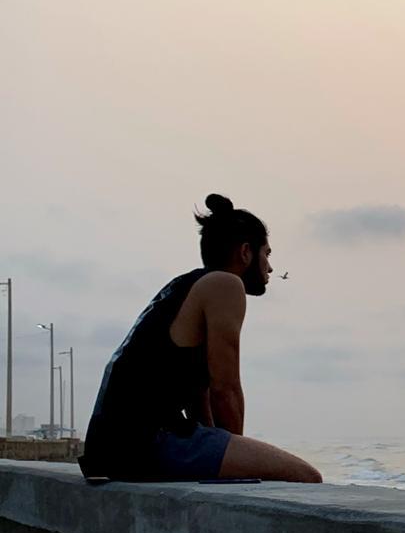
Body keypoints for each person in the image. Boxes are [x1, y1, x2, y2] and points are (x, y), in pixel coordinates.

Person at [79, 194, 323, 483]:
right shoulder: (225, 284)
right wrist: (237, 458)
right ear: (245, 252)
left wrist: (220, 444)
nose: (270, 267)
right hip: (145, 444)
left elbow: (199, 393)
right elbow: (226, 388)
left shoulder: (182, 287)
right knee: (308, 477)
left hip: (109, 450)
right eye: (267, 254)